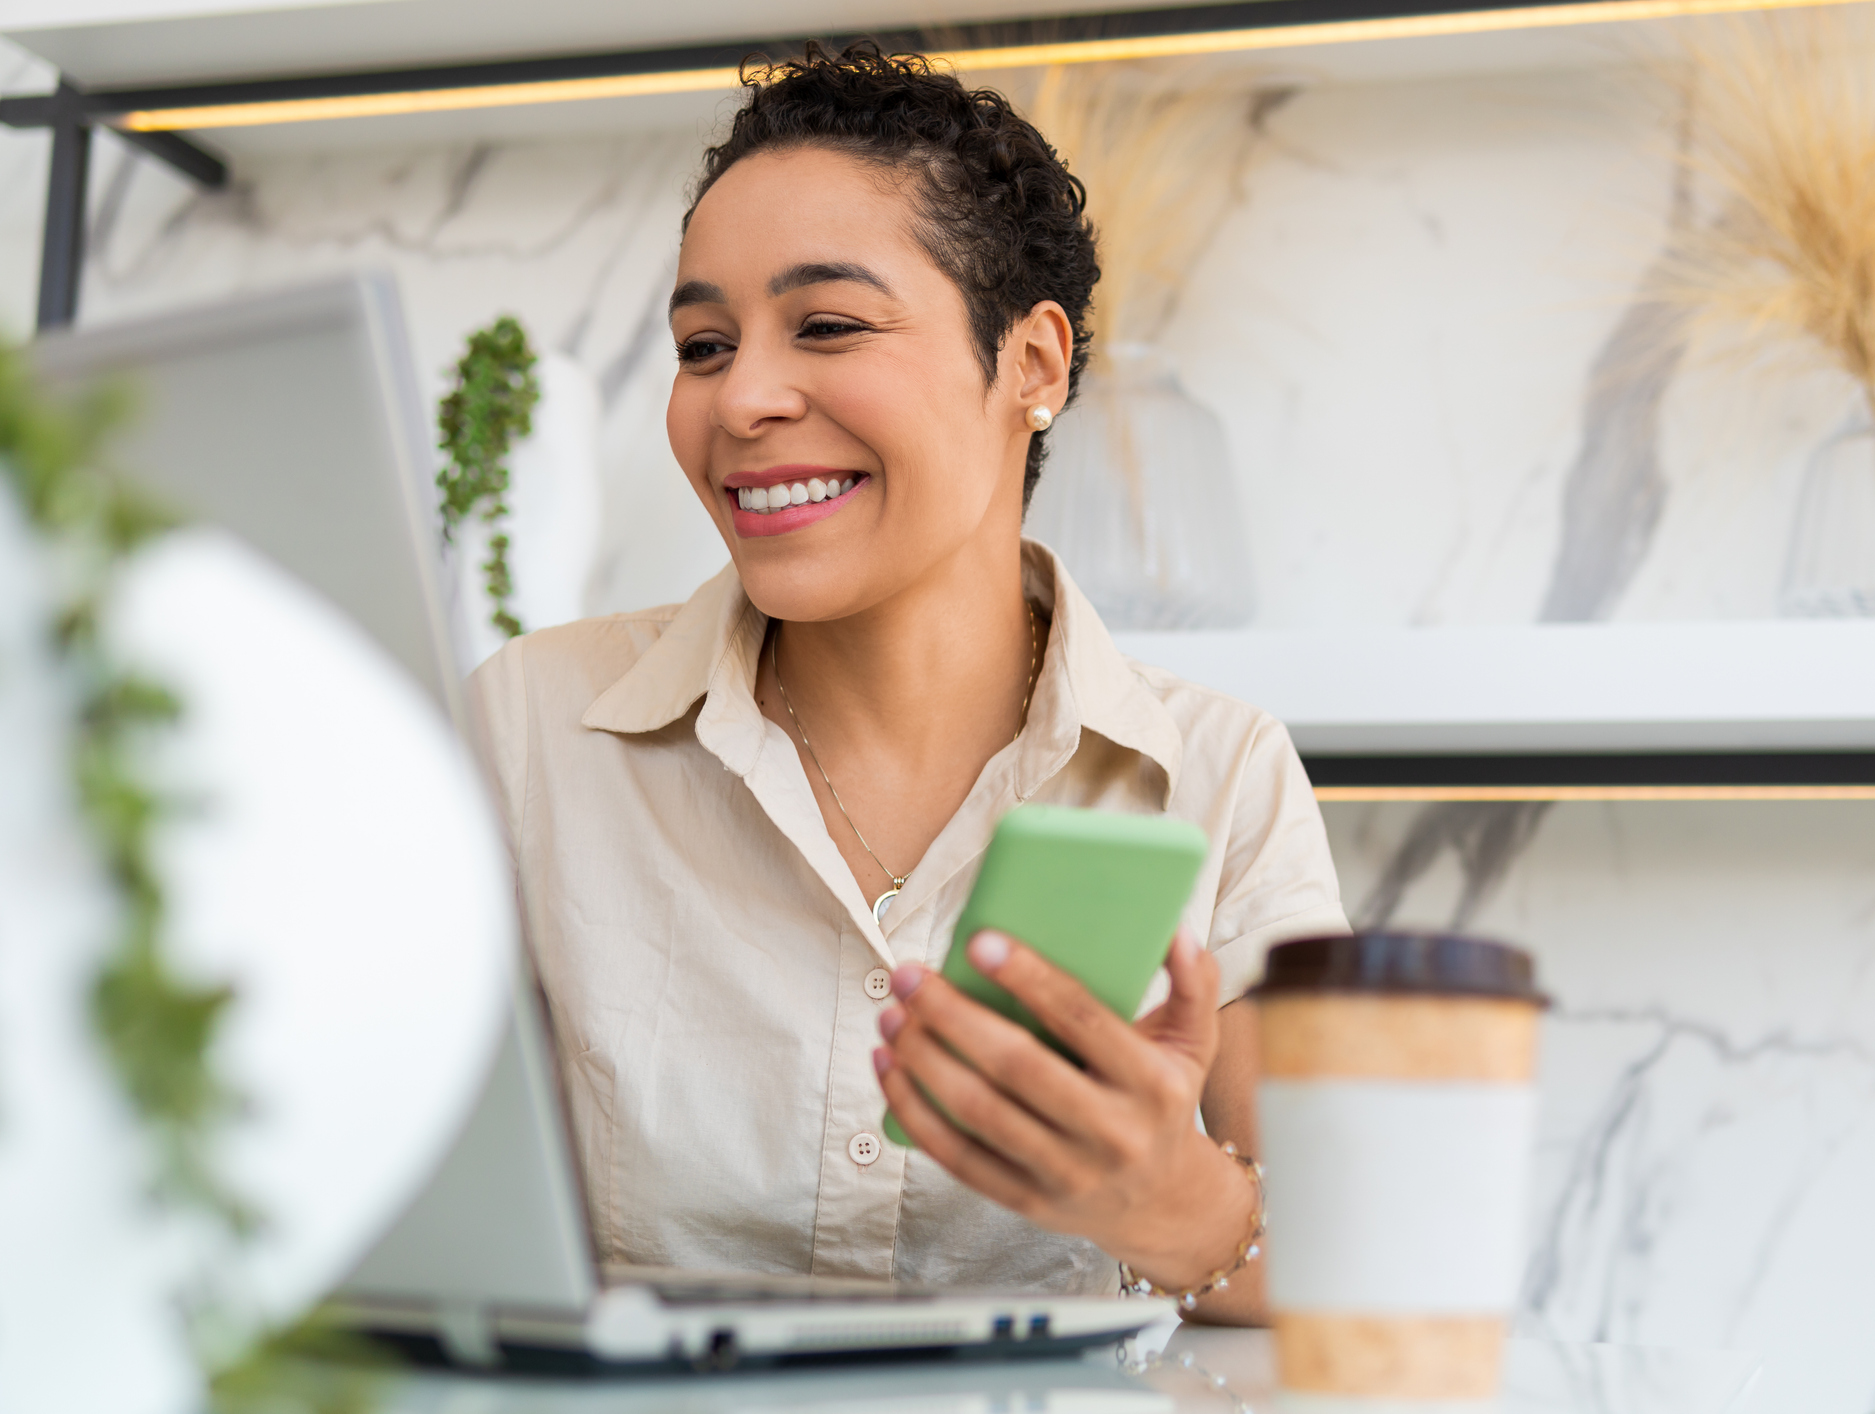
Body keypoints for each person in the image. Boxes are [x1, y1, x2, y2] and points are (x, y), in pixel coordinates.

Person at [469, 42, 1345, 1326]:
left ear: (1033, 367)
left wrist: (1171, 1196)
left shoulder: (1220, 776)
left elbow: (1353, 1287)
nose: (744, 398)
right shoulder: (531, 729)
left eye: (827, 325)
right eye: (704, 344)